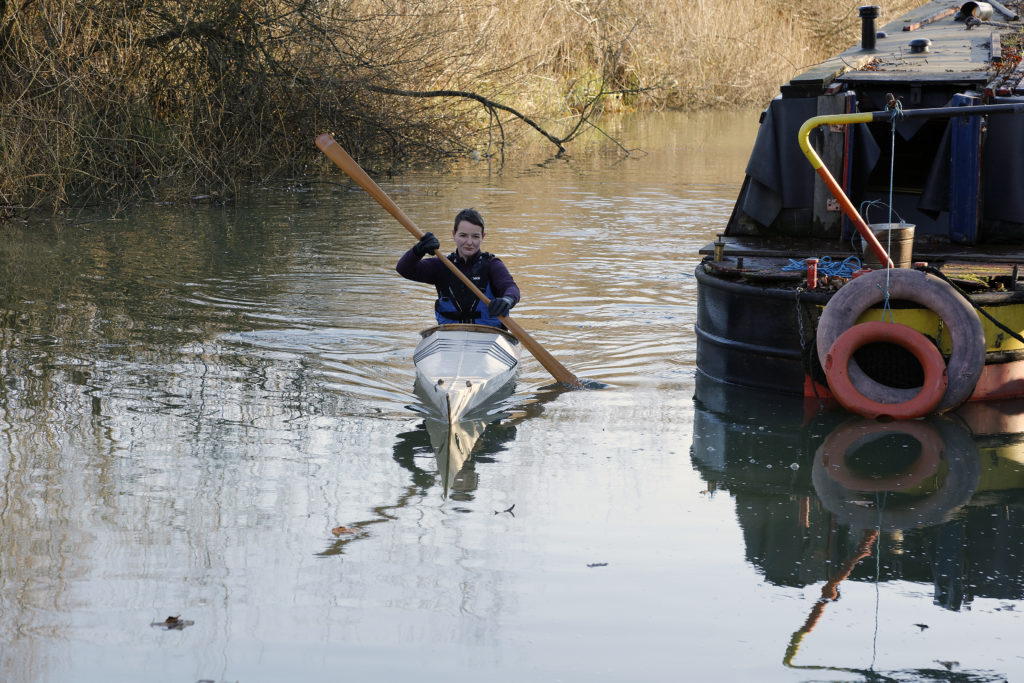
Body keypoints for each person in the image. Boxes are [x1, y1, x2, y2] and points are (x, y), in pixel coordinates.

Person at [396, 208, 520, 327]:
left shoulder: (492, 265)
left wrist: (507, 300)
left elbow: (510, 287)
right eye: (463, 235)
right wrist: (418, 250)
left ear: (483, 237)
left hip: (488, 336)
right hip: (450, 336)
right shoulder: (442, 266)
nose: (469, 242)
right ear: (454, 235)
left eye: (475, 236)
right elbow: (404, 269)